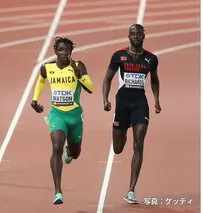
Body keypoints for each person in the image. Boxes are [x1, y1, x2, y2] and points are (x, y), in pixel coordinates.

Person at [102, 24, 161, 204]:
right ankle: (123, 129)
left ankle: (131, 190)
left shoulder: (151, 59)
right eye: (133, 33)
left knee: (139, 143)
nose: (136, 36)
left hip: (139, 104)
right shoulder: (119, 55)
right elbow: (107, 79)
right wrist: (105, 99)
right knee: (118, 148)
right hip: (122, 104)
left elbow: (155, 80)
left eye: (139, 33)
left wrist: (157, 99)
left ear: (144, 35)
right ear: (129, 36)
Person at [31, 37, 94, 205]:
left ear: (71, 52)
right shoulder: (47, 67)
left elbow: (91, 88)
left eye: (67, 50)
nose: (64, 53)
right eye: (60, 50)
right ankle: (58, 191)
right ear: (55, 51)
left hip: (74, 116)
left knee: (75, 153)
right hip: (57, 114)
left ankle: (70, 153)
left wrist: (79, 76)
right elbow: (42, 80)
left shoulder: (78, 66)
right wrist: (35, 99)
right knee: (56, 146)